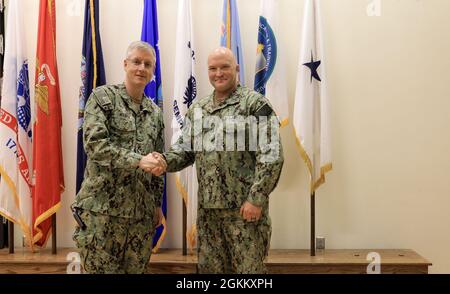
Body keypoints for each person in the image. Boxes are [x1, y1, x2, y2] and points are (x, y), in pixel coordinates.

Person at [147, 47, 284, 274]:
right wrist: (163, 160)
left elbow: (272, 155)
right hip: (209, 216)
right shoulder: (198, 109)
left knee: (248, 276)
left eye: (224, 67)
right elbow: (185, 150)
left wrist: (256, 199)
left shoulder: (255, 104)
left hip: (244, 214)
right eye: (213, 68)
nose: (218, 73)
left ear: (236, 69)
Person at [71, 41, 165, 274]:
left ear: (153, 71)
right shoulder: (103, 98)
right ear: (125, 64)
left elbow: (157, 162)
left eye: (147, 64)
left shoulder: (155, 113)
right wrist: (137, 160)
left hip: (140, 218)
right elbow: (95, 145)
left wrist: (156, 204)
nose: (141, 68)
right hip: (102, 214)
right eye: (136, 62)